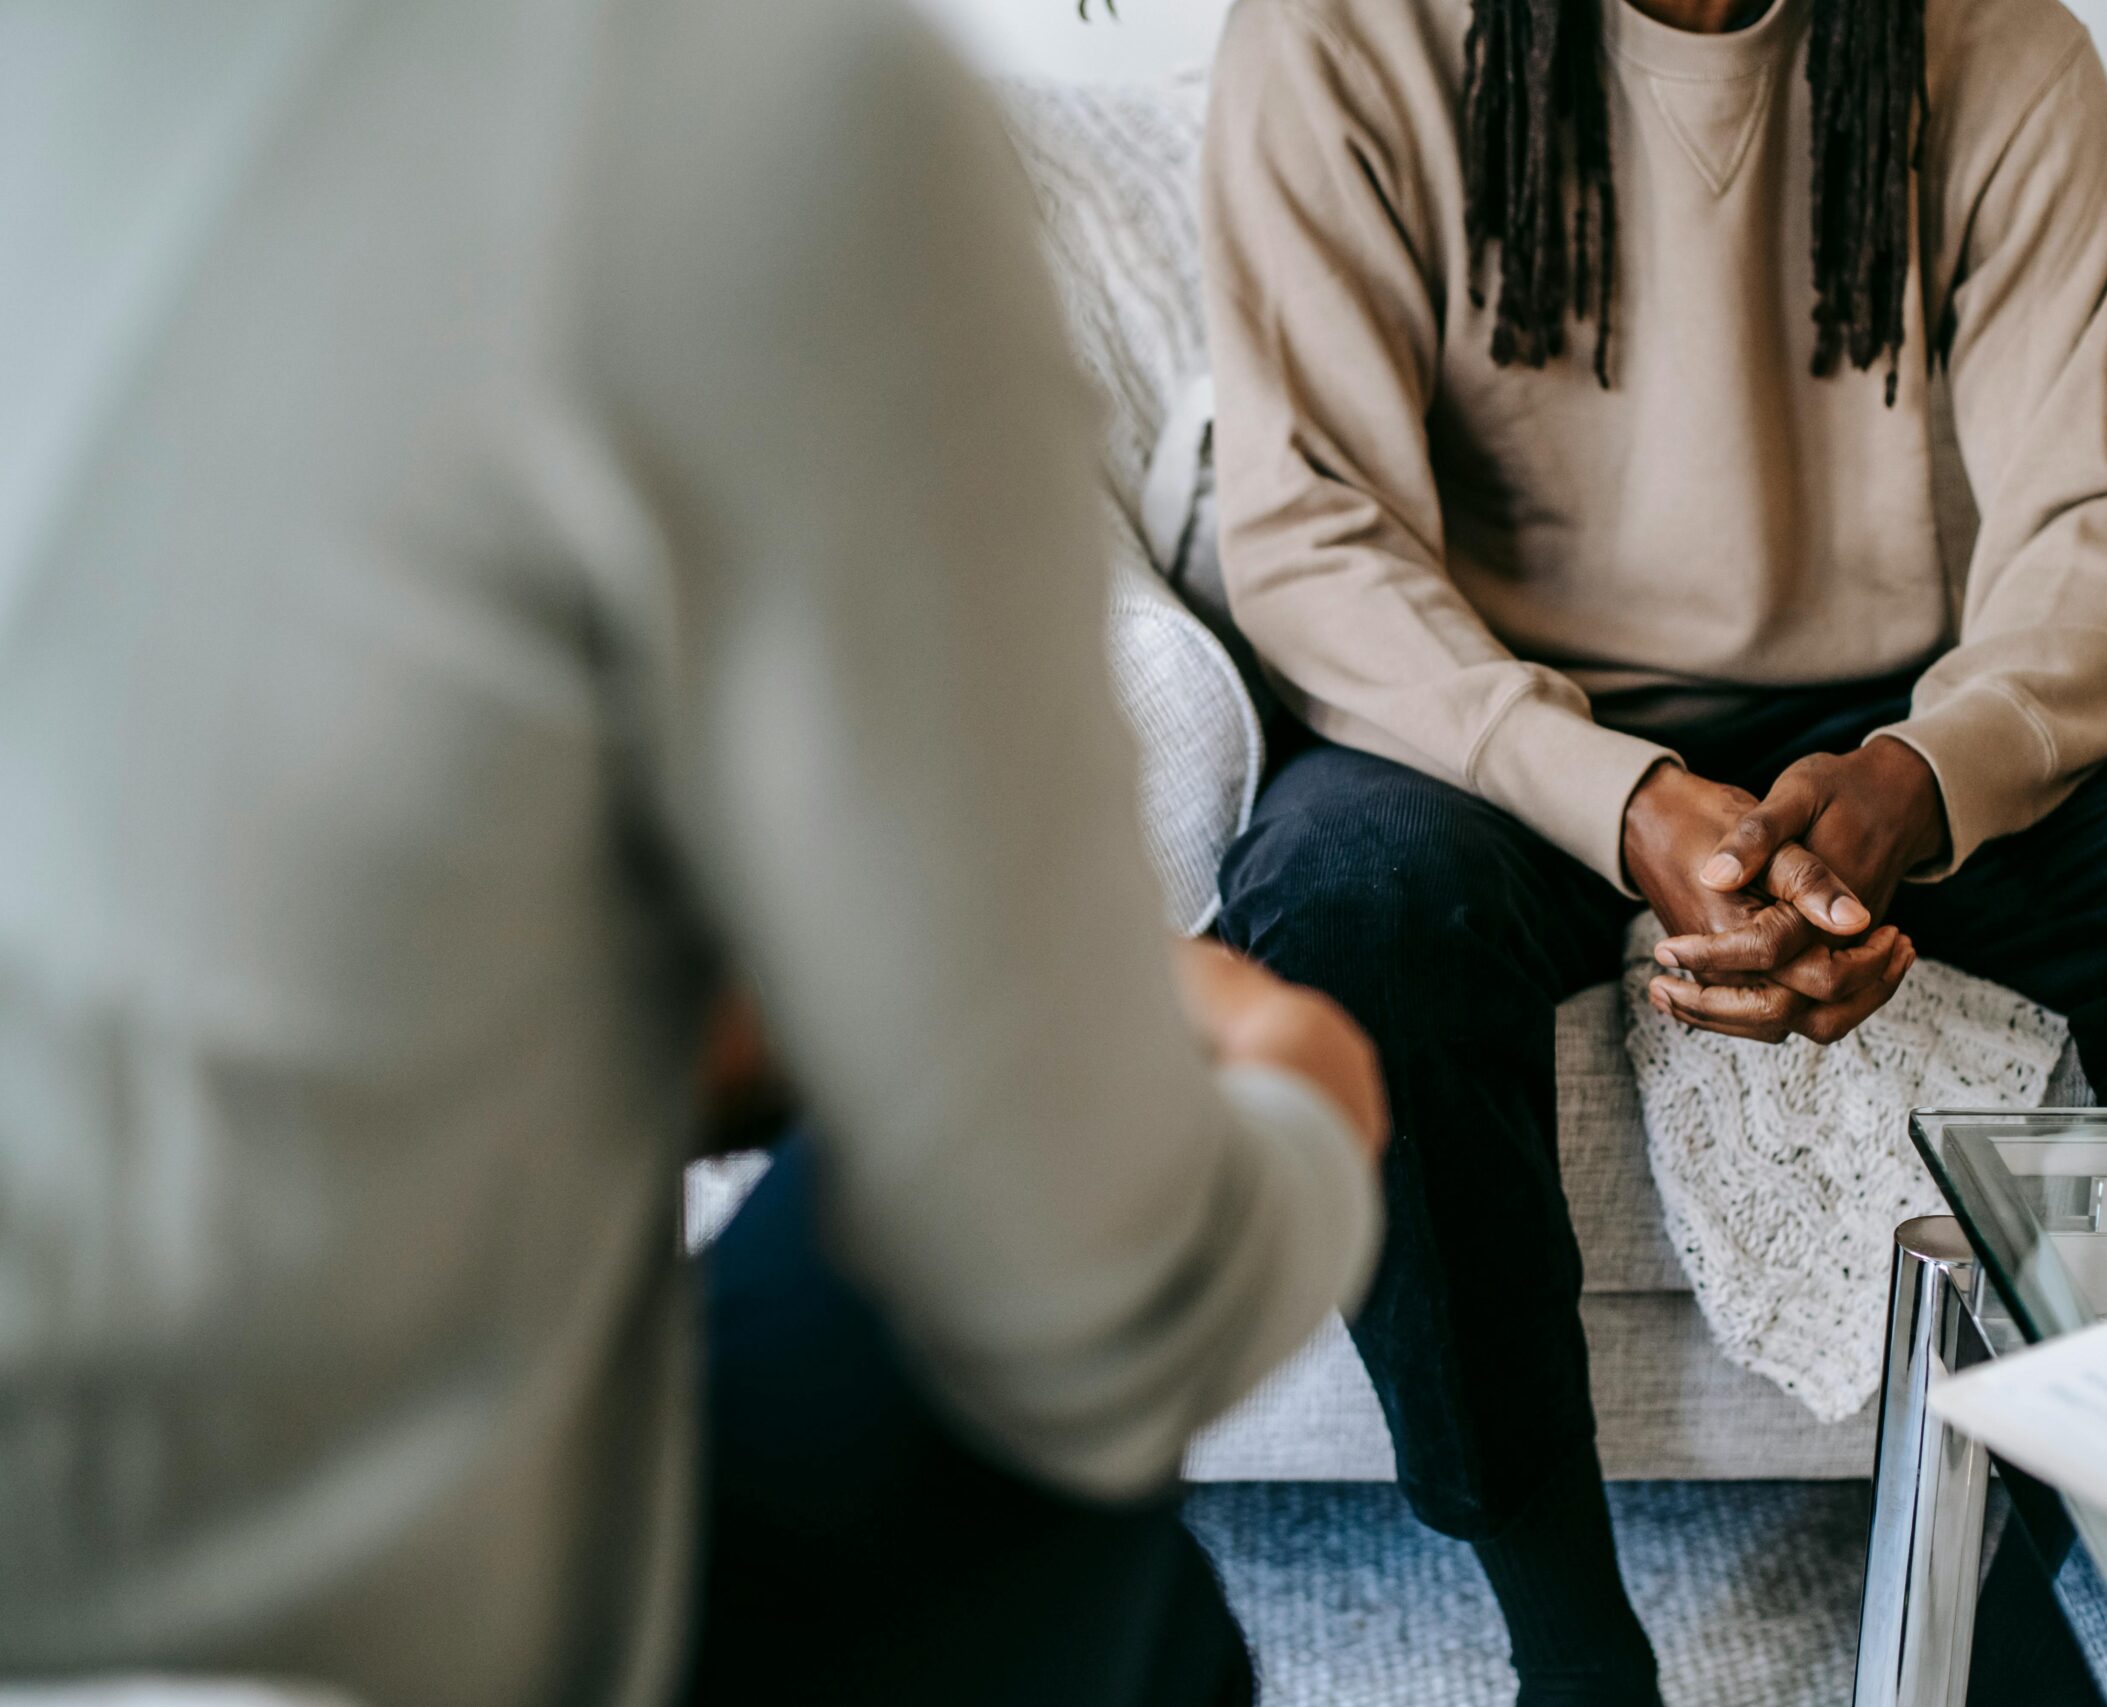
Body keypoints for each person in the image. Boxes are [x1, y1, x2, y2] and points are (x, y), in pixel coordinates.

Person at [0, 3, 1385, 1704]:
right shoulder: (751, 111)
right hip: (341, 1641)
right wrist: (1303, 1091)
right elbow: (1096, 1310)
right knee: (1057, 1474)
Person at [1198, 0, 2107, 1699]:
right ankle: (1567, 1639)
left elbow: (2098, 540)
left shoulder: (1999, 50)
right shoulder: (1342, 35)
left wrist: (1923, 781)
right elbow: (1312, 530)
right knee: (1341, 912)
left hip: (1871, 734)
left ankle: (2000, 1569)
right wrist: (1618, 800)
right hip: (1490, 726)